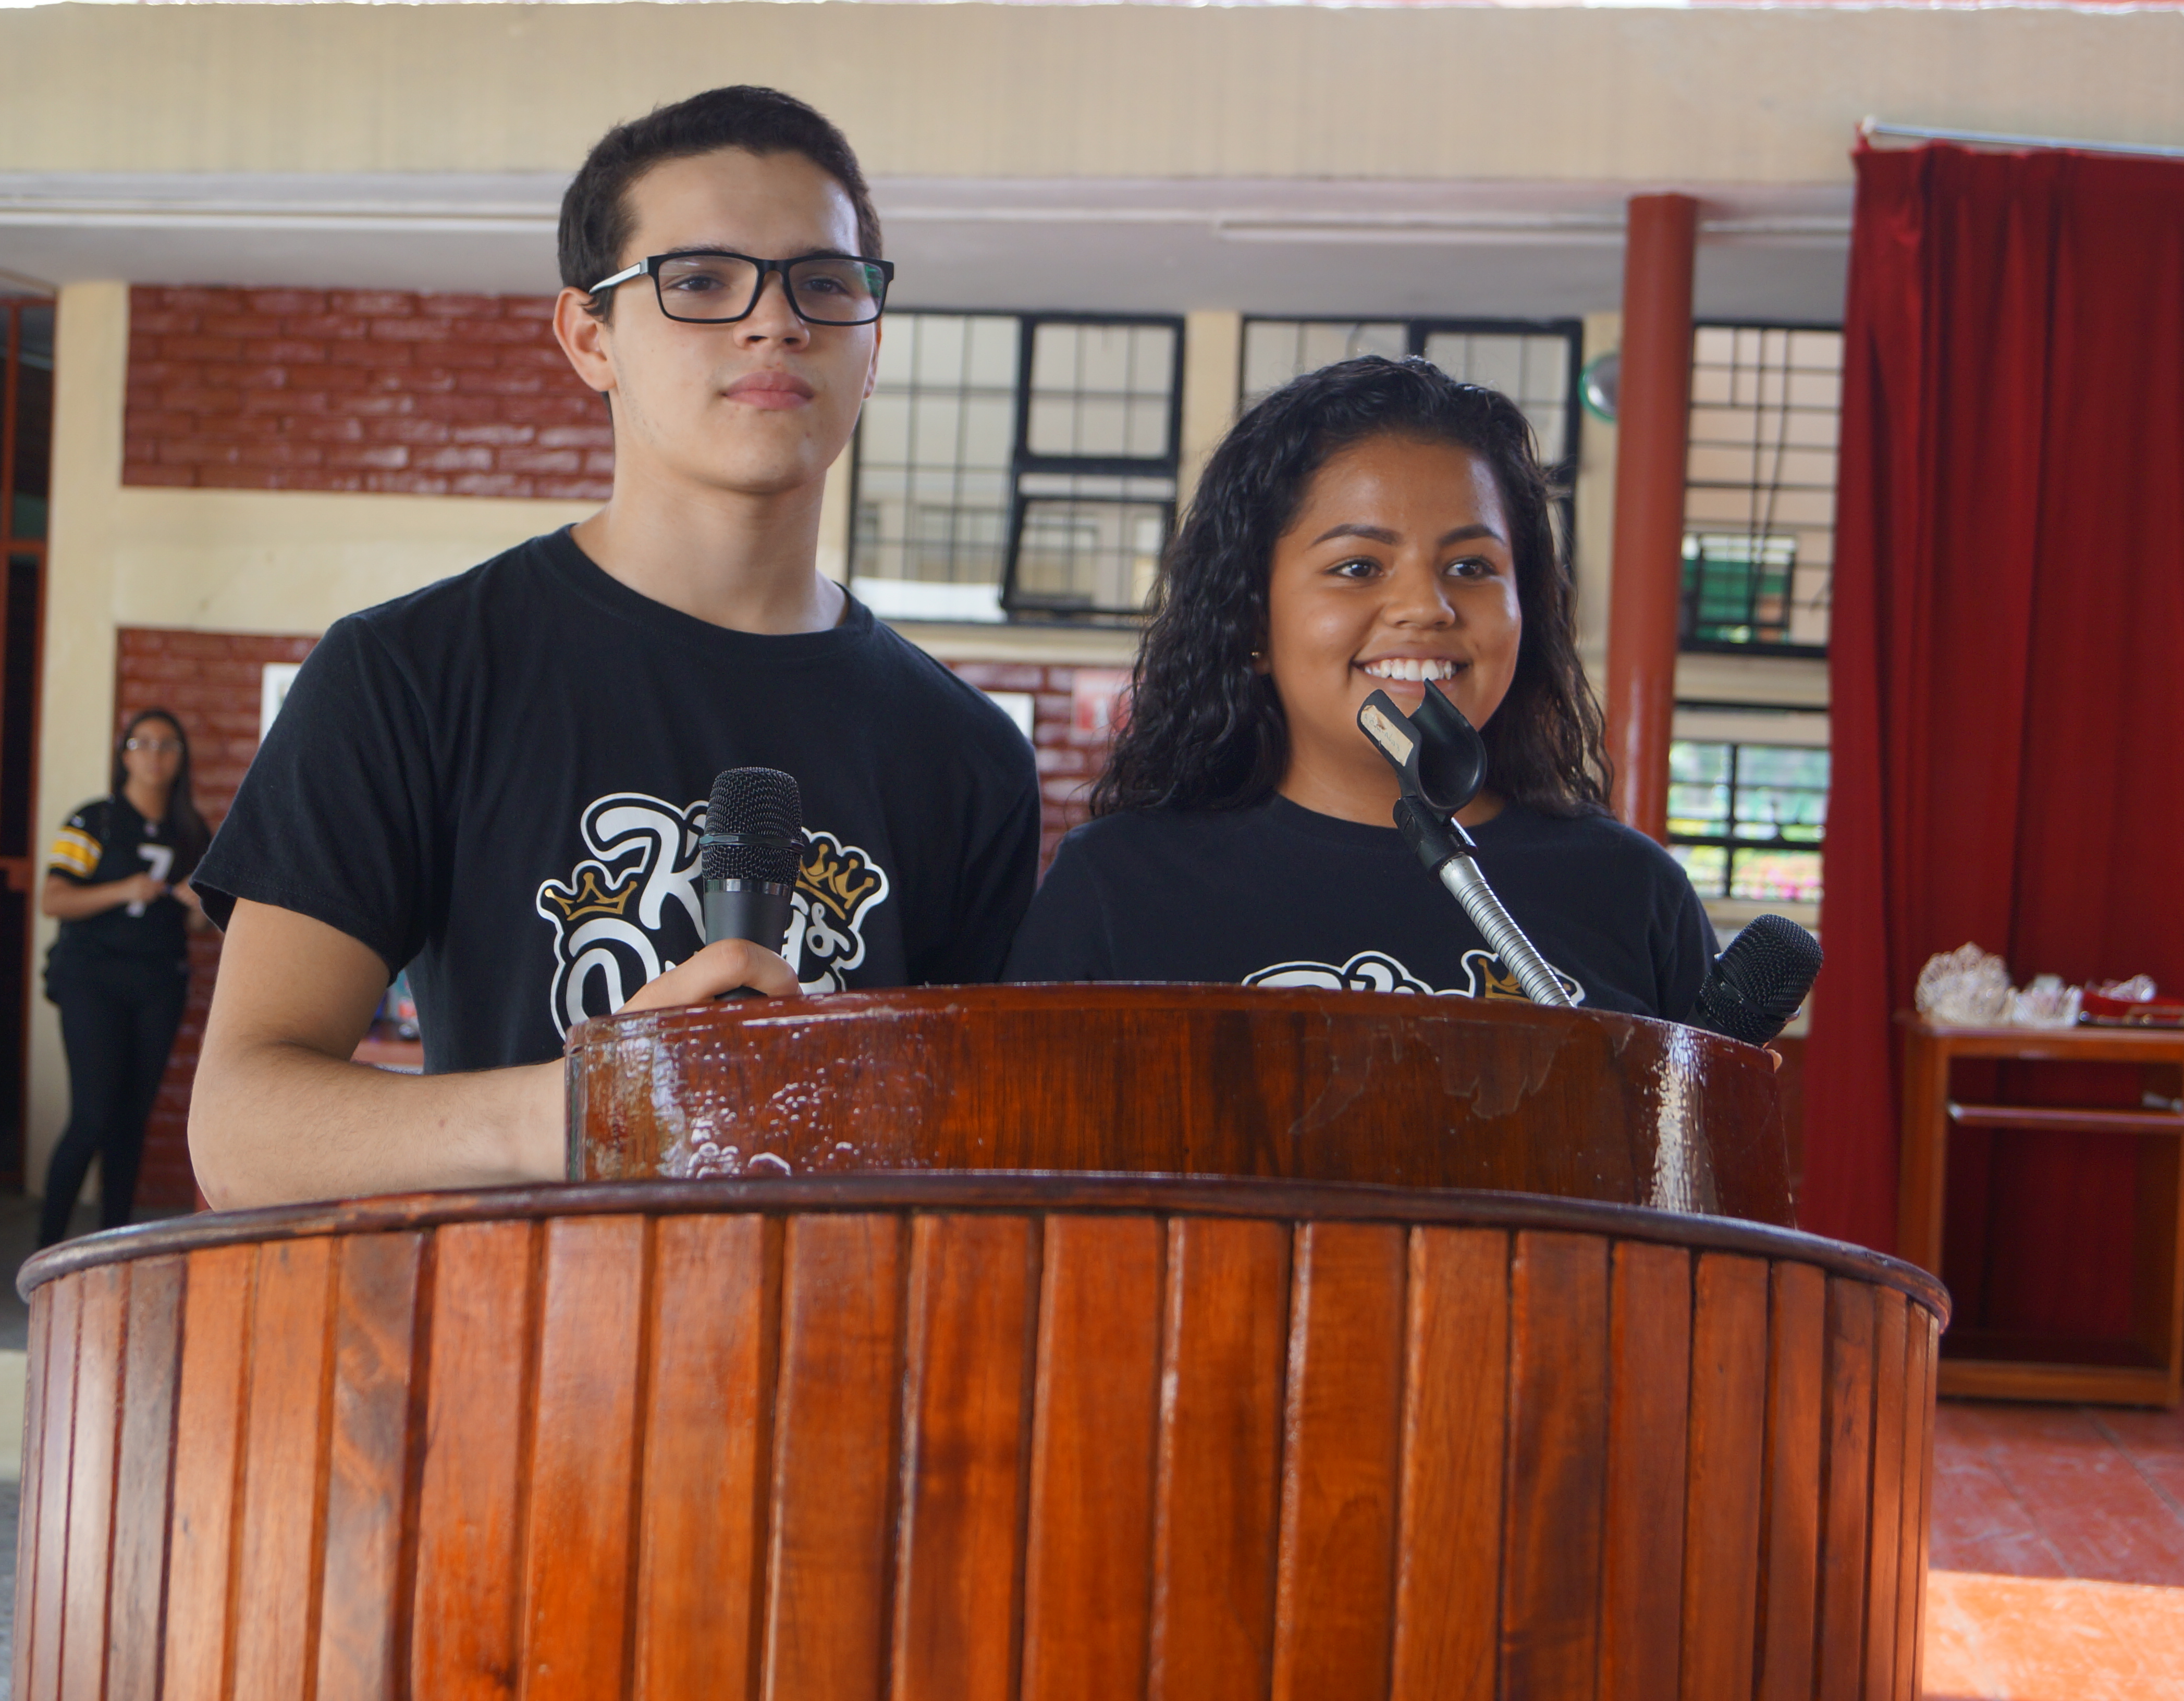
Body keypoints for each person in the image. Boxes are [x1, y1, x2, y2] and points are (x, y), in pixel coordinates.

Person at [188, 88, 1040, 1209]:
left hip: (842, 1360)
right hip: (524, 1360)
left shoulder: (965, 753)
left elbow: (967, 1150)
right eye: (697, 281)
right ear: (590, 336)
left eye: (824, 284)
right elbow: (244, 1138)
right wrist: (594, 1106)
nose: (773, 321)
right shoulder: (410, 675)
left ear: (871, 345)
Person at [1004, 355, 1714, 1018]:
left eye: (1471, 567)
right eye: (1358, 567)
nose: (1427, 606)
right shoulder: (1121, 886)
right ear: (1253, 618)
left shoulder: (1631, 892)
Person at [38, 709, 212, 1245]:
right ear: (125, 755)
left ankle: (111, 1250)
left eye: (168, 746)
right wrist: (122, 890)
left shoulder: (192, 830)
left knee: (132, 1122)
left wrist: (198, 903)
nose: (155, 756)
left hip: (159, 982)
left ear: (181, 759)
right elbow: (53, 898)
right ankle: (48, 1253)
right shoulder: (94, 820)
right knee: (91, 1116)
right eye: (144, 744)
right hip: (92, 979)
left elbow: (201, 926)